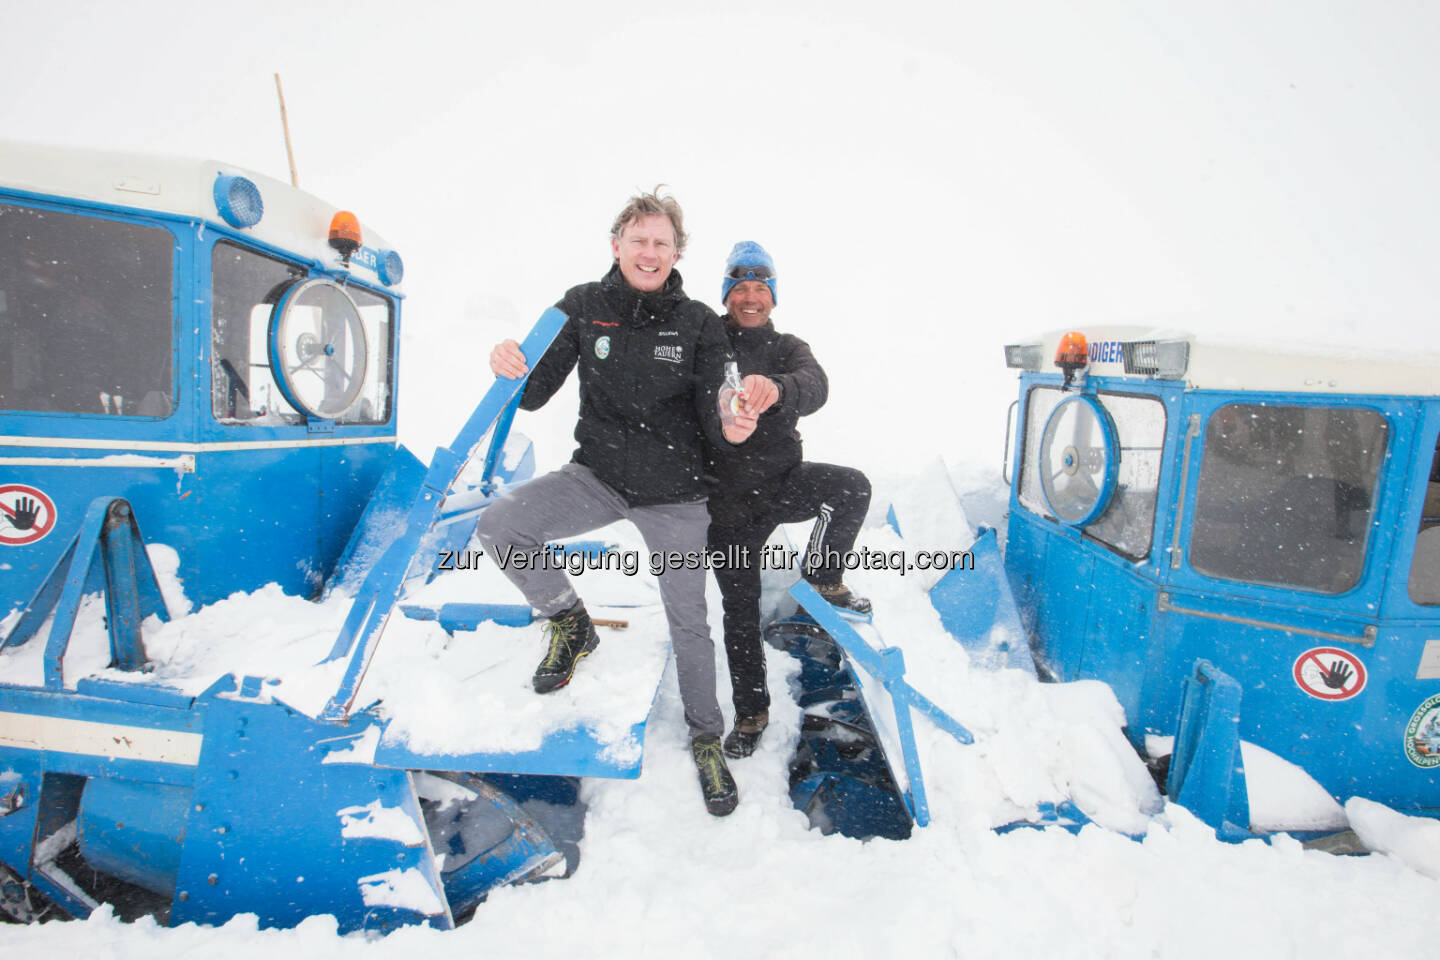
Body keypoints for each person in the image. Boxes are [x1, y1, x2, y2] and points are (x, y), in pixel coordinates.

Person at [476, 189, 751, 817]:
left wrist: (734, 423)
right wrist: (507, 364)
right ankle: (570, 623)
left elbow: (721, 412)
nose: (649, 253)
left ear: (677, 251)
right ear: (616, 246)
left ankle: (706, 735)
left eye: (661, 242)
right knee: (502, 525)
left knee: (689, 620)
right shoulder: (583, 306)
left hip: (676, 496)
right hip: (596, 477)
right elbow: (532, 392)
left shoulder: (701, 323)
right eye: (638, 241)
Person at [704, 241, 873, 759]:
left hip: (781, 485)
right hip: (726, 505)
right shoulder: (705, 341)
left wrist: (777, 389)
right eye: (740, 289)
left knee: (851, 485)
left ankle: (823, 579)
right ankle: (752, 715)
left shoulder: (789, 347)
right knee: (740, 611)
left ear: (772, 299)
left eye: (761, 289)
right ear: (728, 296)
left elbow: (816, 386)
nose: (750, 298)